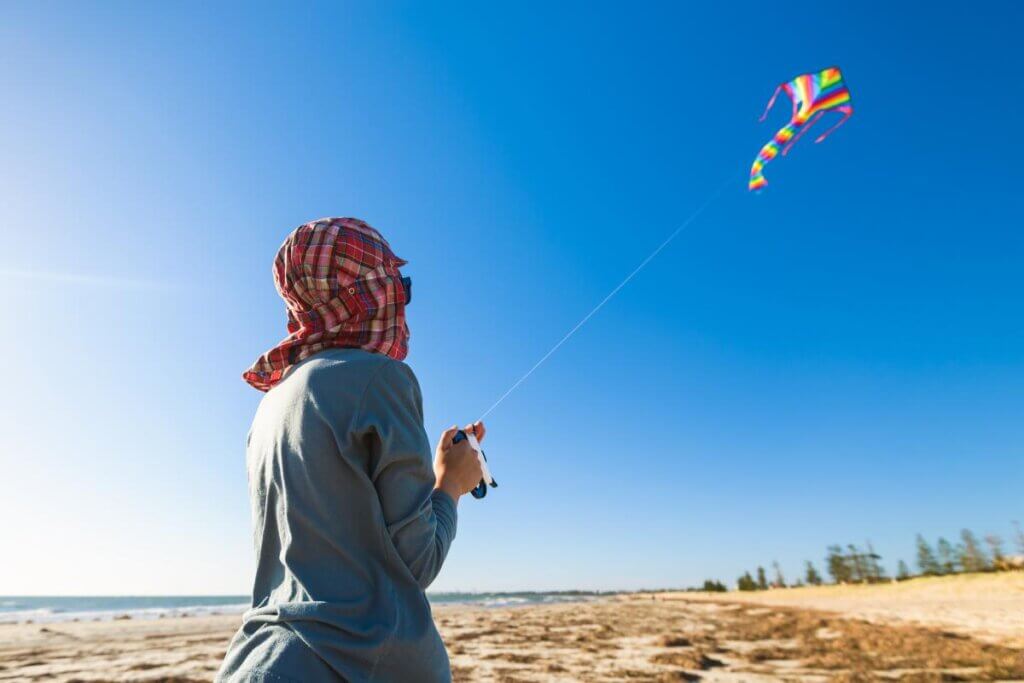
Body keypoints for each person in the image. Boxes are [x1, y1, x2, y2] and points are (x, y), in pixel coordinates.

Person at [217, 217, 484, 682]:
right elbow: (417, 560)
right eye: (397, 285)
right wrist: (452, 484)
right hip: (359, 665)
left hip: (256, 661)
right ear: (370, 292)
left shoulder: (270, 404)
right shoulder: (382, 378)